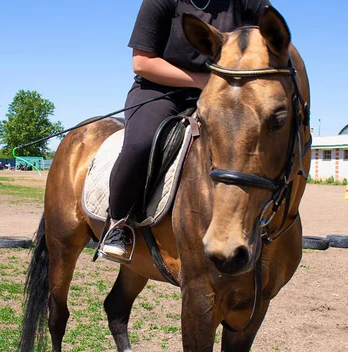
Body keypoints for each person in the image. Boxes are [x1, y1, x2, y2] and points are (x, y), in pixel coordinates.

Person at [102, 0, 272, 259]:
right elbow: (142, 63)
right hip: (160, 90)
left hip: (224, 92)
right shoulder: (160, 2)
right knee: (141, 144)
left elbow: (272, 35)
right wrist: (203, 81)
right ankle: (118, 221)